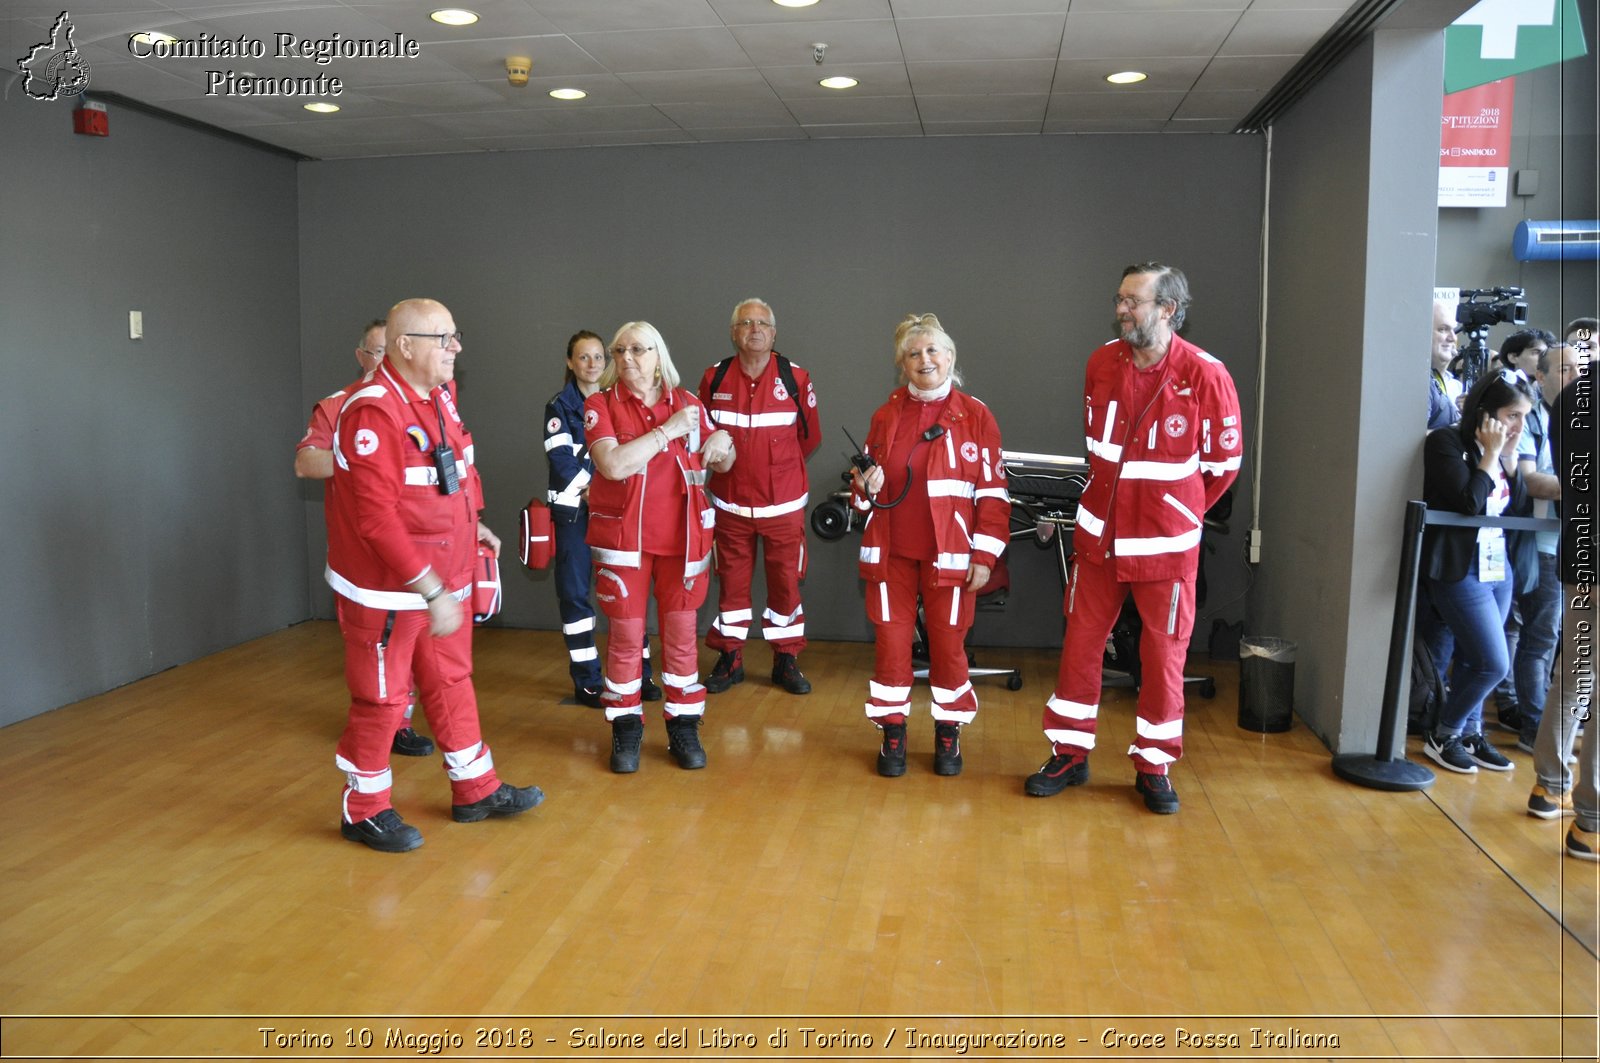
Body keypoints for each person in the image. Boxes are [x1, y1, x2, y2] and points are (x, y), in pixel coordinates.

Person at [327, 298, 543, 852]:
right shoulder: (372, 411)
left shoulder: (438, 398)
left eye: (455, 336)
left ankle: (475, 788)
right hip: (389, 591)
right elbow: (375, 520)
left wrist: (476, 528)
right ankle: (364, 809)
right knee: (381, 699)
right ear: (405, 346)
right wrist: (430, 589)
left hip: (442, 582)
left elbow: (455, 474)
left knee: (451, 680)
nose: (457, 348)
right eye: (444, 338)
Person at [1026, 263, 1242, 813]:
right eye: (1119, 299)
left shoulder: (1206, 375)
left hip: (1166, 550)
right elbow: (1097, 450)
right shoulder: (1101, 362)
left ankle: (1153, 764)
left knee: (1164, 657)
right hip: (1098, 542)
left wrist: (1176, 511)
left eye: (1133, 301)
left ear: (1168, 309)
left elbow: (1222, 465)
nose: (1121, 309)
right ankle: (1069, 753)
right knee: (1080, 647)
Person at [850, 314, 1010, 778]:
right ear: (901, 364)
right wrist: (866, 485)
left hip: (953, 559)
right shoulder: (886, 414)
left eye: (933, 351)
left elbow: (993, 494)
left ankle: (948, 732)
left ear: (951, 357)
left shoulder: (976, 415)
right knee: (892, 647)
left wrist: (985, 555)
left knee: (949, 648)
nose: (925, 360)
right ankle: (893, 731)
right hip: (891, 554)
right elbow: (863, 494)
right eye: (914, 353)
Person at [585, 322, 736, 773]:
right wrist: (669, 431)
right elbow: (612, 464)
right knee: (627, 641)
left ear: (658, 354)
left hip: (683, 543)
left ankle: (682, 724)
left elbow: (722, 459)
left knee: (682, 643)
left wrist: (723, 442)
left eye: (637, 349)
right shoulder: (601, 404)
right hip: (625, 546)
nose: (626, 357)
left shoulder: (688, 403)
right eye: (619, 350)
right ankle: (626, 727)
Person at [296, 318, 432, 759]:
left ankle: (402, 722)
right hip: (365, 558)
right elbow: (306, 463)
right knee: (377, 657)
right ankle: (376, 748)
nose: (384, 362)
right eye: (376, 353)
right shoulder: (338, 406)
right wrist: (362, 458)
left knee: (415, 650)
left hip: (416, 552)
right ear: (361, 357)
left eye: (390, 353)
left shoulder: (422, 404)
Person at [698, 299, 823, 696]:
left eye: (762, 323)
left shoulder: (796, 378)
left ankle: (785, 659)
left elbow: (809, 438)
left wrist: (776, 473)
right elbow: (703, 437)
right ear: (733, 332)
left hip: (782, 507)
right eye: (745, 323)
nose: (754, 329)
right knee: (731, 584)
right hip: (730, 505)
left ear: (774, 333)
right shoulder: (714, 379)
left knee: (785, 584)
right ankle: (730, 657)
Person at [1416, 372, 1535, 774]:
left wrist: (1509, 456)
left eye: (1524, 416)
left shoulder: (1503, 450)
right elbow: (1469, 501)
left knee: (1474, 657)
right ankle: (1444, 733)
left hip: (1496, 564)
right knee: (1493, 662)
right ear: (1485, 414)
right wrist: (1489, 455)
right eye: (1511, 415)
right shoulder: (1446, 442)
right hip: (1458, 566)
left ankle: (1470, 731)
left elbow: (1516, 506)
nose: (1518, 425)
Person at [542, 330, 662, 709]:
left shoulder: (617, 400)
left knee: (628, 594)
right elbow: (561, 461)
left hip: (616, 516)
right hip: (576, 514)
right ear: (570, 362)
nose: (592, 364)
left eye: (598, 357)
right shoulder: (560, 405)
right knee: (576, 597)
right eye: (584, 357)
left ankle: (639, 674)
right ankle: (588, 680)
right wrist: (596, 492)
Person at [1500, 343, 1584, 753]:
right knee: (1541, 639)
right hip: (1540, 544)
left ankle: (1543, 721)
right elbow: (1532, 481)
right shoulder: (1532, 416)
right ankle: (1534, 728)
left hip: (1574, 542)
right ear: (1541, 376)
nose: (1574, 376)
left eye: (1578, 368)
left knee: (1552, 639)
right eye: (1564, 369)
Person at [1529, 365, 1598, 859]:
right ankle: (1591, 822)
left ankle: (1549, 783)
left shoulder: (1577, 394)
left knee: (1574, 672)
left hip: (1581, 554)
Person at [1429, 299, 1463, 429]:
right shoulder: (1416, 383)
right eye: (1443, 329)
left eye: (1453, 330)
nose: (1452, 337)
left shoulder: (1458, 387)